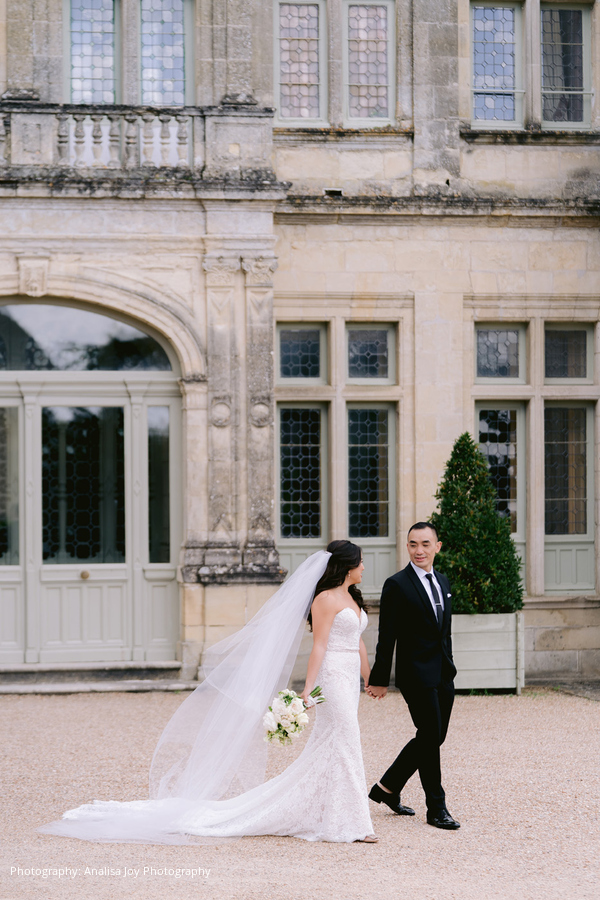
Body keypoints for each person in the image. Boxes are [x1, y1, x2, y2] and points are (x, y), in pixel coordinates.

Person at [39, 541, 376, 844]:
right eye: (360, 561)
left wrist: (369, 677)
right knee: (347, 738)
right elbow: (319, 646)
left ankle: (335, 813)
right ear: (347, 566)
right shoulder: (325, 599)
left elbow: (357, 641)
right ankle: (352, 823)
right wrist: (306, 690)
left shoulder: (352, 597)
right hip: (332, 676)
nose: (363, 566)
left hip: (349, 677)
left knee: (336, 742)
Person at [366, 522, 460, 830]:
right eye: (412, 544)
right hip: (415, 674)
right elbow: (386, 635)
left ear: (437, 547)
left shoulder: (443, 581)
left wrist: (450, 665)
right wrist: (380, 679)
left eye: (425, 544)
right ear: (407, 547)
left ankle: (387, 788)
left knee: (434, 737)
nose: (419, 550)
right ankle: (437, 808)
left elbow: (443, 631)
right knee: (430, 736)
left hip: (443, 672)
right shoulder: (397, 584)